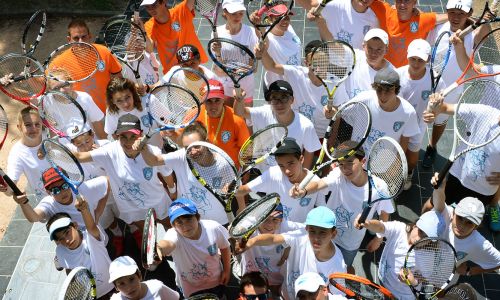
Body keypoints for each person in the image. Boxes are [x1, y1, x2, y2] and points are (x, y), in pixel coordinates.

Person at [72, 114, 175, 248]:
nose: (128, 142)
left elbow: (167, 174)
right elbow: (79, 156)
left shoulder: (154, 152)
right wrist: (50, 149)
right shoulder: (108, 152)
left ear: (141, 134)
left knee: (170, 226)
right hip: (132, 207)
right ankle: (154, 254)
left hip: (158, 200)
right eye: (123, 137)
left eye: (133, 136)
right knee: (148, 234)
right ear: (116, 136)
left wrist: (173, 191)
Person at [290, 142, 394, 274]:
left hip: (350, 243)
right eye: (341, 164)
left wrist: (379, 238)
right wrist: (303, 191)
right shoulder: (338, 175)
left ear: (363, 161)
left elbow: (384, 214)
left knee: (342, 268)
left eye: (350, 162)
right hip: (326, 233)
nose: (345, 169)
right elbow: (318, 184)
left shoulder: (379, 187)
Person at [422, 0, 489, 169]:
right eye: (452, 12)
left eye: (461, 13)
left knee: (440, 120)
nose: (456, 17)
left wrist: (486, 20)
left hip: (451, 89)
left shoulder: (474, 35)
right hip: (427, 82)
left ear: (470, 12)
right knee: (419, 115)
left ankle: (432, 146)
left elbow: (484, 30)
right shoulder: (439, 28)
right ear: (447, 11)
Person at [421, 92, 500, 231]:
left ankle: (494, 206)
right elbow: (445, 108)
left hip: (484, 189)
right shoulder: (484, 112)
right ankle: (420, 230)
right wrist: (436, 105)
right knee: (430, 207)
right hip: (457, 175)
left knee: (468, 224)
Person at [235, 206, 347, 300]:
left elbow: (337, 295)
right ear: (306, 228)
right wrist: (251, 242)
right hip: (285, 294)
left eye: (323, 232)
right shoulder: (300, 236)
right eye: (312, 231)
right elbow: (273, 238)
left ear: (333, 233)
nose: (316, 238)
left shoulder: (338, 264)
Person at [138, 121, 235, 225]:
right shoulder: (181, 157)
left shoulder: (223, 164)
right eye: (187, 147)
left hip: (220, 221)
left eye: (197, 146)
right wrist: (142, 147)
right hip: (191, 222)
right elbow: (153, 161)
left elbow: (237, 191)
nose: (192, 152)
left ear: (207, 142)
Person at [354, 210, 447, 299]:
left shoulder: (429, 255)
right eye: (421, 231)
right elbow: (381, 227)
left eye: (426, 238)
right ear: (415, 226)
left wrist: (413, 281)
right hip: (383, 278)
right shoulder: (399, 229)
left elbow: (423, 278)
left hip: (402, 295)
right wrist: (367, 223)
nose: (420, 239)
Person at [328, 68, 420, 157]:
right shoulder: (363, 99)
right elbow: (338, 113)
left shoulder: (408, 112)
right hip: (357, 162)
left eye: (388, 90)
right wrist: (330, 112)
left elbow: (404, 141)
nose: (383, 95)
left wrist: (396, 163)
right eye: (379, 89)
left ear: (396, 89)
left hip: (382, 168)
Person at [234, 80, 321, 170]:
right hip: (263, 173)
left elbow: (309, 152)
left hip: (290, 175)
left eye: (284, 97)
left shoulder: (306, 125)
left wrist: (302, 178)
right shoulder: (263, 113)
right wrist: (238, 99)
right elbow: (239, 112)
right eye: (274, 98)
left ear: (292, 100)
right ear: (270, 101)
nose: (279, 103)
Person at [257, 39, 336, 137]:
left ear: (328, 62)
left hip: (322, 136)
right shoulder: (295, 73)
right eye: (314, 63)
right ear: (306, 63)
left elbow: (338, 116)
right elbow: (271, 66)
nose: (318, 68)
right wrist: (263, 52)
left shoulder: (336, 83)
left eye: (322, 62)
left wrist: (331, 140)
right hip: (298, 133)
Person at [235, 137, 326, 222]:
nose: (286, 171)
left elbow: (323, 212)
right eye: (281, 166)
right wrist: (242, 215)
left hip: (300, 234)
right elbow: (242, 190)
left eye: (291, 163)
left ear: (301, 159)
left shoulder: (316, 181)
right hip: (273, 231)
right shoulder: (272, 174)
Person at [156, 198, 231, 298]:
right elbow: (167, 244)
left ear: (198, 217)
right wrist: (159, 249)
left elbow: (225, 247)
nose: (185, 226)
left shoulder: (213, 228)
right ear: (173, 225)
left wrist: (226, 270)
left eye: (188, 219)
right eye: (179, 222)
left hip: (216, 281)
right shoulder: (173, 235)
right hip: (189, 287)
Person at [431, 176, 500, 278]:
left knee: (441, 294)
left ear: (476, 226)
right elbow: (438, 200)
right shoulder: (446, 214)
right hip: (426, 261)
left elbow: (498, 262)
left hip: (446, 275)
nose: (462, 226)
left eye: (469, 223)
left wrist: (469, 271)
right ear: (453, 212)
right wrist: (439, 189)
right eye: (459, 218)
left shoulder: (479, 243)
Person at [396, 39, 441, 190]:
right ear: (407, 56)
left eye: (420, 60)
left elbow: (440, 101)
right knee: (395, 152)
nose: (416, 63)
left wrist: (434, 112)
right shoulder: (397, 75)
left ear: (428, 59)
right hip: (398, 123)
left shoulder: (435, 78)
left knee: (412, 158)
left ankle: (409, 173)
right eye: (413, 59)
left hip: (418, 124)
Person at [238, 203, 305, 297]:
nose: (269, 224)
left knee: (276, 293)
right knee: (253, 296)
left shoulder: (286, 226)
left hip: (277, 273)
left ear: (281, 220)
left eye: (275, 220)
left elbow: (308, 229)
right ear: (257, 219)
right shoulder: (249, 225)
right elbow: (236, 229)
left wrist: (287, 250)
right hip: (253, 273)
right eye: (265, 219)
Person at [48, 203, 114, 298]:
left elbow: (91, 227)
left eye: (67, 232)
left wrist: (84, 209)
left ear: (75, 225)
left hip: (113, 284)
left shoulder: (91, 238)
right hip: (93, 294)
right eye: (60, 239)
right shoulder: (60, 251)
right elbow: (69, 269)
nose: (66, 240)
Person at [62, 19, 122, 113]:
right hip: (83, 116)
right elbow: (43, 85)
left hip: (109, 111)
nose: (81, 41)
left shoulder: (104, 52)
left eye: (84, 37)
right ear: (69, 40)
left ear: (90, 36)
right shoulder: (60, 62)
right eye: (76, 38)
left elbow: (118, 79)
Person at [370, 0, 447, 68]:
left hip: (407, 75)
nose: (402, 4)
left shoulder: (422, 19)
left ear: (415, 2)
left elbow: (449, 16)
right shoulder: (386, 12)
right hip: (384, 71)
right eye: (399, 0)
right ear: (395, 1)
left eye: (407, 1)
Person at [142, 0, 208, 74]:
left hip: (196, 64)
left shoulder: (181, 11)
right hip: (174, 72)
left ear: (164, 2)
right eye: (147, 7)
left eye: (154, 5)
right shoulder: (148, 26)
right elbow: (149, 49)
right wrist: (142, 31)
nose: (151, 9)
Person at [196, 79, 250, 168]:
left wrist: (245, 170)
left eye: (217, 100)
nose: (213, 106)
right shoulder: (194, 115)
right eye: (209, 100)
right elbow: (180, 138)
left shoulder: (237, 120)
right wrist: (171, 134)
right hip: (203, 167)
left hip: (231, 169)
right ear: (203, 101)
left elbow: (246, 149)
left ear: (223, 99)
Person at [213, 0, 259, 106]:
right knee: (228, 120)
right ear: (225, 12)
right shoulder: (216, 34)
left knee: (245, 121)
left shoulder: (251, 33)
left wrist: (227, 70)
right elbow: (218, 71)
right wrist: (218, 53)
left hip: (245, 89)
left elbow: (254, 68)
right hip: (225, 88)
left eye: (241, 13)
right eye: (233, 13)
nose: (238, 17)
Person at [0, 107, 50, 201]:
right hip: (48, 202)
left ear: (42, 124)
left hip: (72, 190)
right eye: (28, 125)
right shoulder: (16, 153)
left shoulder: (50, 135)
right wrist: (4, 187)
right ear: (19, 127)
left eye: (37, 124)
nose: (34, 129)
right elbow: (10, 191)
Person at [338, 28, 395, 103]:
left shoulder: (393, 75)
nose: (373, 53)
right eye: (370, 48)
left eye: (379, 49)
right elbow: (332, 47)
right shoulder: (353, 55)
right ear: (363, 46)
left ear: (386, 50)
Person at [48, 69, 107, 140]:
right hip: (65, 149)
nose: (62, 91)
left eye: (64, 85)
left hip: (91, 145)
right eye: (56, 88)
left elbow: (99, 128)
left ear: (71, 83)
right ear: (50, 91)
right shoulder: (47, 102)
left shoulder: (85, 98)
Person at [104, 77, 163, 148]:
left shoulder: (149, 100)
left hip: (157, 151)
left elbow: (167, 121)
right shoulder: (111, 112)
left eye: (127, 97)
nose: (125, 104)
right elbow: (113, 134)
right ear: (112, 101)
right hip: (131, 157)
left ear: (133, 93)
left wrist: (166, 131)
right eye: (119, 101)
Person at [299, 0, 379, 50]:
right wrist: (313, 12)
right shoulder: (335, 4)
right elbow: (309, 3)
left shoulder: (374, 21)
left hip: (357, 68)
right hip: (330, 67)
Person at [108, 256, 180, 299]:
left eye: (131, 279)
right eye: (122, 283)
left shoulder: (157, 287)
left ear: (139, 275)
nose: (129, 288)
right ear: (116, 287)